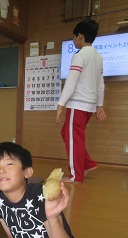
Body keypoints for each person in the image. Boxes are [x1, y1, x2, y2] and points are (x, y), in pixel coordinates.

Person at [56, 18, 106, 183]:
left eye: (74, 36)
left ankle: (76, 176)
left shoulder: (80, 55)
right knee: (68, 134)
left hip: (78, 105)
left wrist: (60, 104)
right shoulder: (98, 56)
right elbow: (101, 85)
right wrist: (99, 106)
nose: (73, 40)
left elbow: (71, 82)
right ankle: (87, 163)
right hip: (89, 107)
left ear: (80, 36)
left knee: (74, 139)